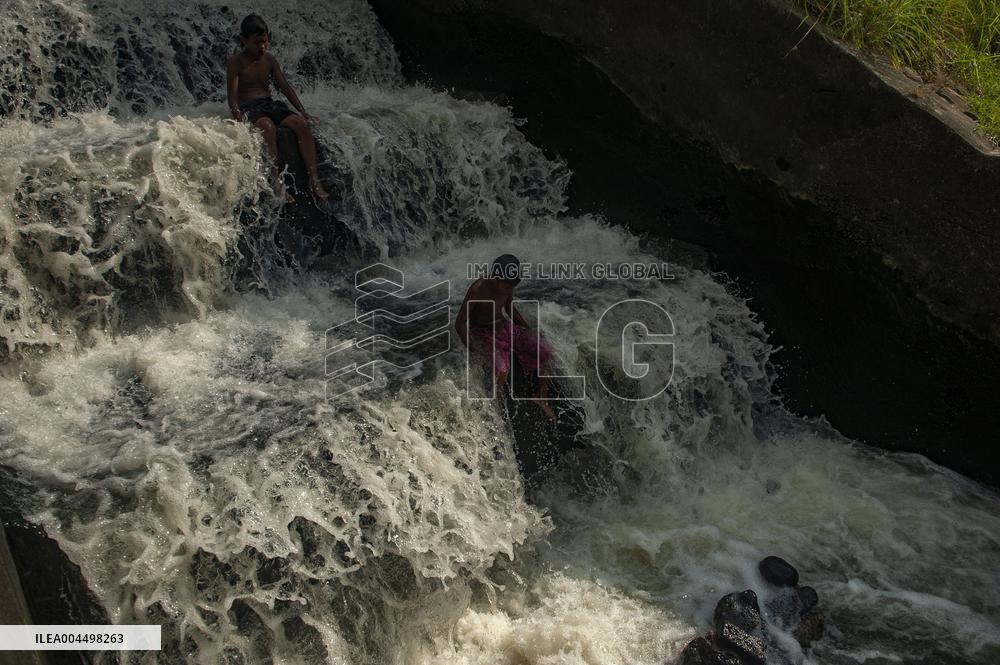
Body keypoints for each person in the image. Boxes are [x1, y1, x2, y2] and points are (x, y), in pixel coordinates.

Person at [226, 14, 329, 203]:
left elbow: (285, 87)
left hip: (269, 103)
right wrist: (239, 119)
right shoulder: (236, 62)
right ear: (244, 41)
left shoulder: (269, 60)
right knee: (267, 126)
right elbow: (232, 97)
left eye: (265, 42)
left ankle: (314, 178)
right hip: (250, 106)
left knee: (301, 124)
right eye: (257, 43)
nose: (262, 47)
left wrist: (302, 111)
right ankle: (275, 180)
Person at [455, 254, 556, 421]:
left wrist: (528, 329)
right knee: (502, 369)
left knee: (545, 352)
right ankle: (495, 403)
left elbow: (510, 310)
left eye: (512, 287)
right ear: (496, 278)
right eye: (507, 287)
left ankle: (541, 396)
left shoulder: (507, 285)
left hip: (503, 327)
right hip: (482, 332)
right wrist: (472, 349)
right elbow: (459, 324)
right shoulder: (478, 289)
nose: (509, 290)